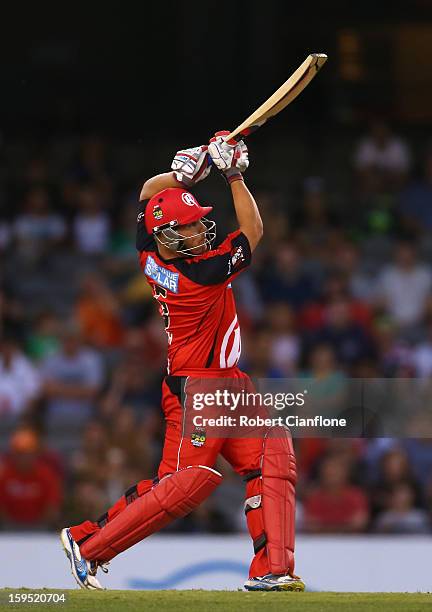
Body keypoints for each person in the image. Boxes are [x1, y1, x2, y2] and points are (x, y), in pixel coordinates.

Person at [60, 133, 304, 592]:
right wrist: (232, 174)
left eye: (197, 223)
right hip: (199, 387)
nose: (198, 230)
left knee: (273, 453)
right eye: (189, 226)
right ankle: (87, 543)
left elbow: (146, 196)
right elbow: (253, 233)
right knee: (186, 482)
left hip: (227, 381)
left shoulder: (148, 250)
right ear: (169, 236)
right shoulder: (201, 275)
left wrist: (182, 175)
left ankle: (274, 570)